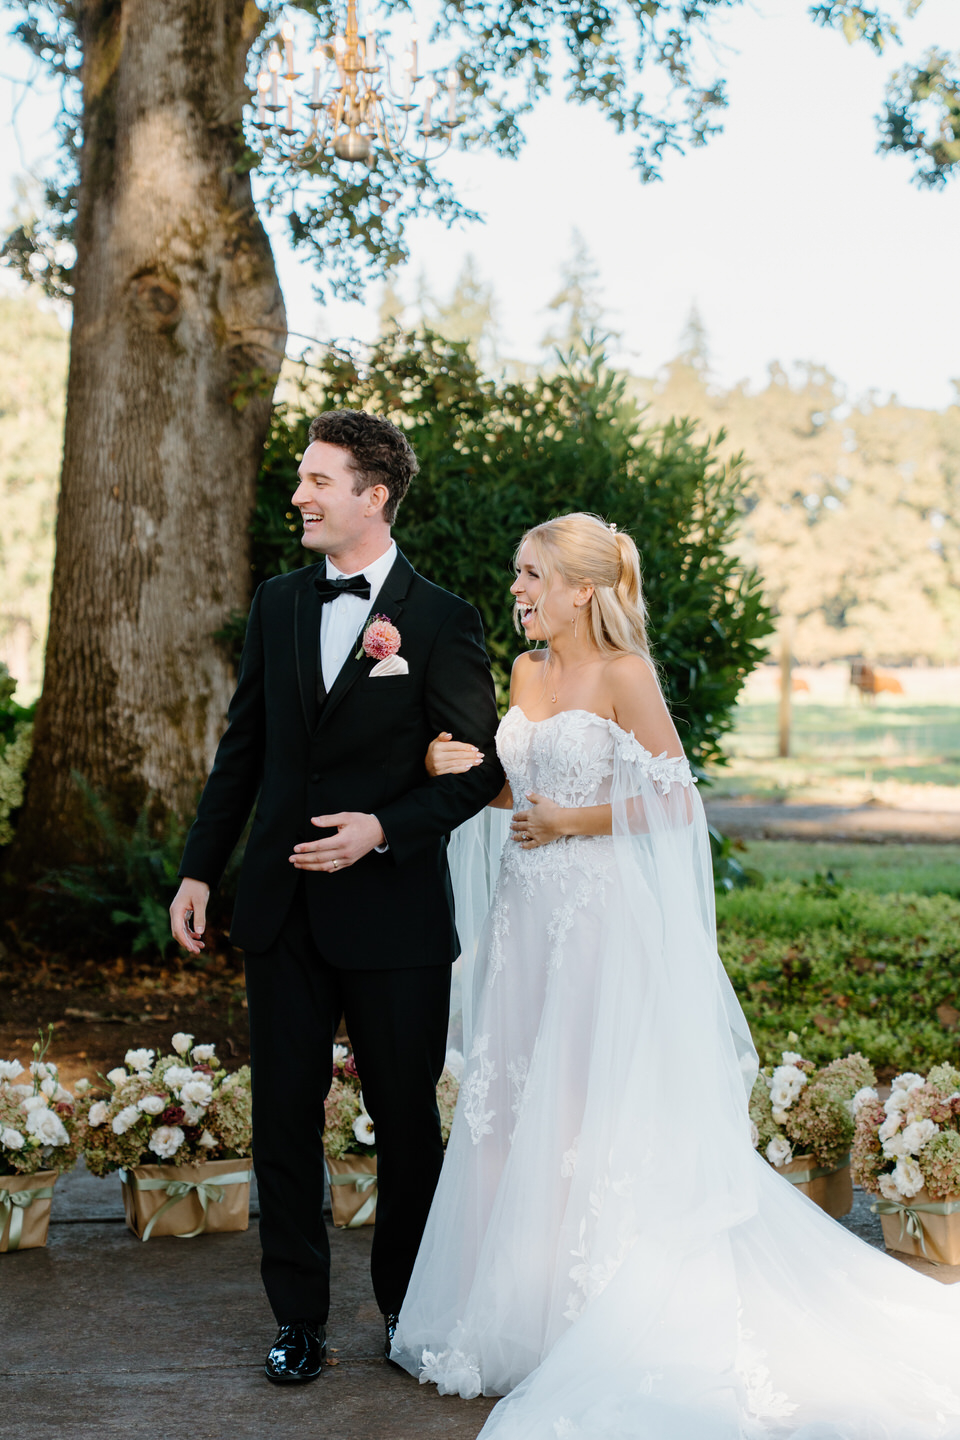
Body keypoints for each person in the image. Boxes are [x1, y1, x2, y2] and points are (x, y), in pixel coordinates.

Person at [392, 511, 960, 1438]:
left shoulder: (625, 674)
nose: (517, 590)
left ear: (583, 588)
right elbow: (512, 790)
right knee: (520, 1102)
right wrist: (457, 767)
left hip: (602, 924)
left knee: (590, 1102)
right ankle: (512, 1306)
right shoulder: (528, 671)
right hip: (529, 920)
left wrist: (570, 823)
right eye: (515, 573)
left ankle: (595, 1310)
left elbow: (674, 798)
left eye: (530, 574)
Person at [169, 409, 504, 1387]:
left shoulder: (440, 618)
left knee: (405, 1125)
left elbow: (475, 771)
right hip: (278, 908)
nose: (300, 496)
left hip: (393, 915)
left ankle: (408, 1311)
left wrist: (382, 828)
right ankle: (299, 1320)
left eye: (319, 481)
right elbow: (244, 749)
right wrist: (200, 868)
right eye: (302, 480)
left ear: (374, 495)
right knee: (282, 1116)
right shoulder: (277, 602)